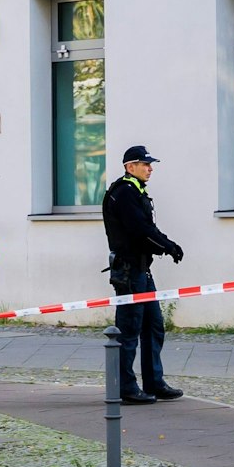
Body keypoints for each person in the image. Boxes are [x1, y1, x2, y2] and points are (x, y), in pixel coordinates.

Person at [102, 145, 184, 404]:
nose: (150, 168)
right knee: (129, 329)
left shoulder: (136, 191)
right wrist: (168, 246)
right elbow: (141, 230)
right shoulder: (124, 193)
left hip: (141, 269)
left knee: (153, 325)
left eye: (150, 164)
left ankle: (154, 382)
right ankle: (126, 387)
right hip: (128, 272)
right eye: (145, 164)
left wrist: (165, 244)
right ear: (130, 167)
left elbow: (147, 228)